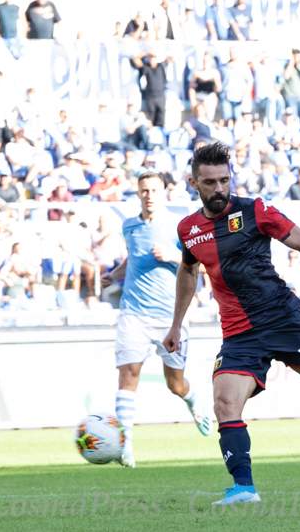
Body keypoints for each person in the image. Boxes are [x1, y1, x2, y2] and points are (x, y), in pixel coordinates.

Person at [161, 143, 300, 505]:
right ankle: (244, 488)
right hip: (239, 334)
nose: (219, 189)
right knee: (225, 404)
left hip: (284, 319)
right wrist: (176, 325)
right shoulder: (188, 229)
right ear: (193, 183)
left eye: (225, 180)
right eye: (209, 182)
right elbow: (188, 270)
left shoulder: (255, 210)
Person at [100, 172, 211, 468]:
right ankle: (125, 446)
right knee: (128, 375)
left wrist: (175, 256)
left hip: (170, 317)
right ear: (137, 193)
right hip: (132, 313)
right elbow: (133, 259)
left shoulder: (181, 226)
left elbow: (205, 267)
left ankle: (193, 401)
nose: (149, 194)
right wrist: (114, 274)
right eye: (144, 190)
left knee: (174, 384)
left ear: (164, 193)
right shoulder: (129, 225)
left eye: (154, 190)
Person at [132, 50, 173, 128]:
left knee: (161, 117)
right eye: (150, 57)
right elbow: (135, 59)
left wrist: (158, 52)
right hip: (150, 97)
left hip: (160, 96)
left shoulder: (160, 66)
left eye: (153, 57)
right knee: (150, 118)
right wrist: (146, 52)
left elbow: (171, 57)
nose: (152, 59)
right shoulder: (145, 67)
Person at [220, 46, 253, 129]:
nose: (232, 54)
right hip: (226, 96)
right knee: (226, 118)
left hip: (238, 97)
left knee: (237, 119)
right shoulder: (223, 67)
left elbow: (250, 81)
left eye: (234, 52)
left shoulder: (243, 66)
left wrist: (245, 96)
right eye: (231, 52)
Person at [282, 50, 300, 129]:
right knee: (293, 118)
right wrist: (291, 62)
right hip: (290, 96)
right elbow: (286, 76)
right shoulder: (287, 66)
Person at [188, 53, 222, 122]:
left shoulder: (215, 73)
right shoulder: (197, 73)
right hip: (199, 97)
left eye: (207, 60)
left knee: (209, 118)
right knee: (198, 117)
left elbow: (218, 88)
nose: (205, 62)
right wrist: (193, 101)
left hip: (210, 97)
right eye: (204, 60)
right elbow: (191, 88)